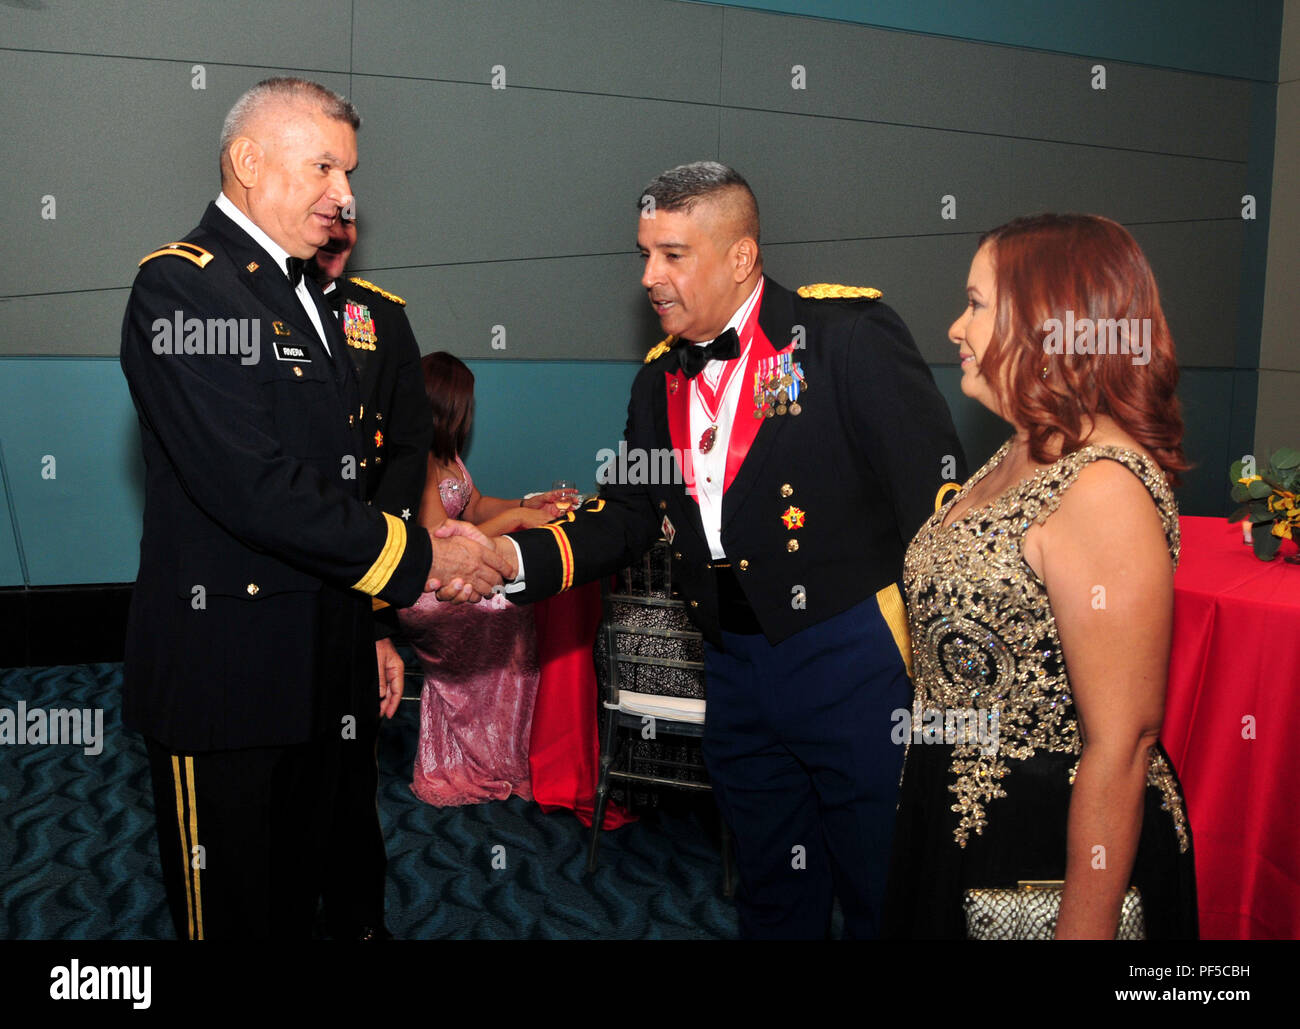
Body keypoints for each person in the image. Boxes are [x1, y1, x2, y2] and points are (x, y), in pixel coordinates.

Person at [484, 161, 966, 938]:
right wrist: (511, 562)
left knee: (887, 890)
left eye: (673, 254)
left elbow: (937, 511)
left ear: (740, 257)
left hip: (854, 661)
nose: (649, 276)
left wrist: (953, 683)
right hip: (734, 668)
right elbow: (628, 515)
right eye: (645, 253)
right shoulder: (657, 382)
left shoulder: (844, 338)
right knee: (771, 889)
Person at [119, 77, 507, 939]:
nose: (346, 194)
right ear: (247, 162)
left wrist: (369, 623)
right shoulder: (183, 290)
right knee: (231, 915)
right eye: (324, 165)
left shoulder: (309, 299)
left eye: (352, 170)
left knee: (299, 896)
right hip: (222, 678)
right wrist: (424, 558)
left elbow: (355, 477)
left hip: (316, 664)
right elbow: (252, 487)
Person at [881, 213, 1198, 939]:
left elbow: (1122, 745)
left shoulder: (1104, 487)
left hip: (1047, 853)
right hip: (955, 819)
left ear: (1052, 323)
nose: (955, 327)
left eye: (977, 303)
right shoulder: (1025, 445)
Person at [310, 212, 433, 939]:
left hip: (356, 591)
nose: (341, 226)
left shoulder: (381, 321)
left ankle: (361, 925)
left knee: (352, 783)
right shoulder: (238, 312)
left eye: (352, 219)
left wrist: (380, 621)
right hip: (269, 601)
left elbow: (406, 459)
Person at [400, 352, 570, 806]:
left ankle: (507, 746)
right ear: (448, 405)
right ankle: (478, 752)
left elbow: (474, 508)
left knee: (518, 599)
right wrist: (516, 518)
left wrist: (530, 503)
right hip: (424, 587)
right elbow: (440, 540)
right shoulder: (417, 460)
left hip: (454, 577)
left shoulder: (447, 455)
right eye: (466, 404)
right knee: (505, 610)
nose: (471, 414)